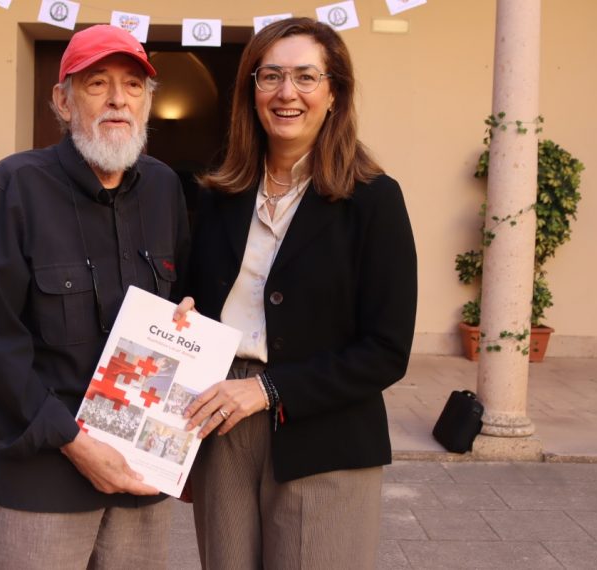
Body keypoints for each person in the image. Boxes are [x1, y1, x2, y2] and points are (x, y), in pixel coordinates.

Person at [179, 17, 418, 569]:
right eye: (271, 76)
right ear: (251, 92)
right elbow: (195, 299)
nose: (287, 93)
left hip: (324, 430)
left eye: (306, 77)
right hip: (220, 420)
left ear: (334, 93)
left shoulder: (374, 200)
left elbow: (386, 349)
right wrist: (183, 319)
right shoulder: (220, 192)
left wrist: (267, 389)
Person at [0, 24, 189, 569]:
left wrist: (187, 317)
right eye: (97, 84)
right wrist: (76, 443)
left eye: (133, 86)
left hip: (141, 467)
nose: (118, 99)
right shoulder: (15, 186)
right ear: (62, 101)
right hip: (44, 469)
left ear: (147, 104)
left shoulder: (165, 188)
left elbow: (184, 299)